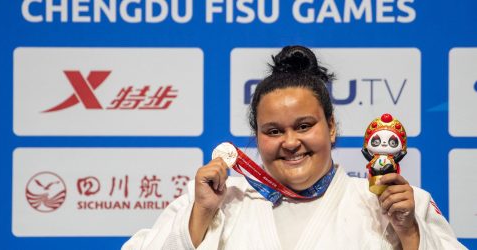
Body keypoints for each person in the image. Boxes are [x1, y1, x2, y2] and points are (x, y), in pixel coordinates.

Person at [122, 46, 466, 249]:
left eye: (304, 126)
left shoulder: (396, 204)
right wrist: (199, 218)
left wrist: (410, 234)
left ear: (331, 128)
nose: (290, 142)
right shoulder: (219, 201)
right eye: (273, 130)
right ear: (256, 138)